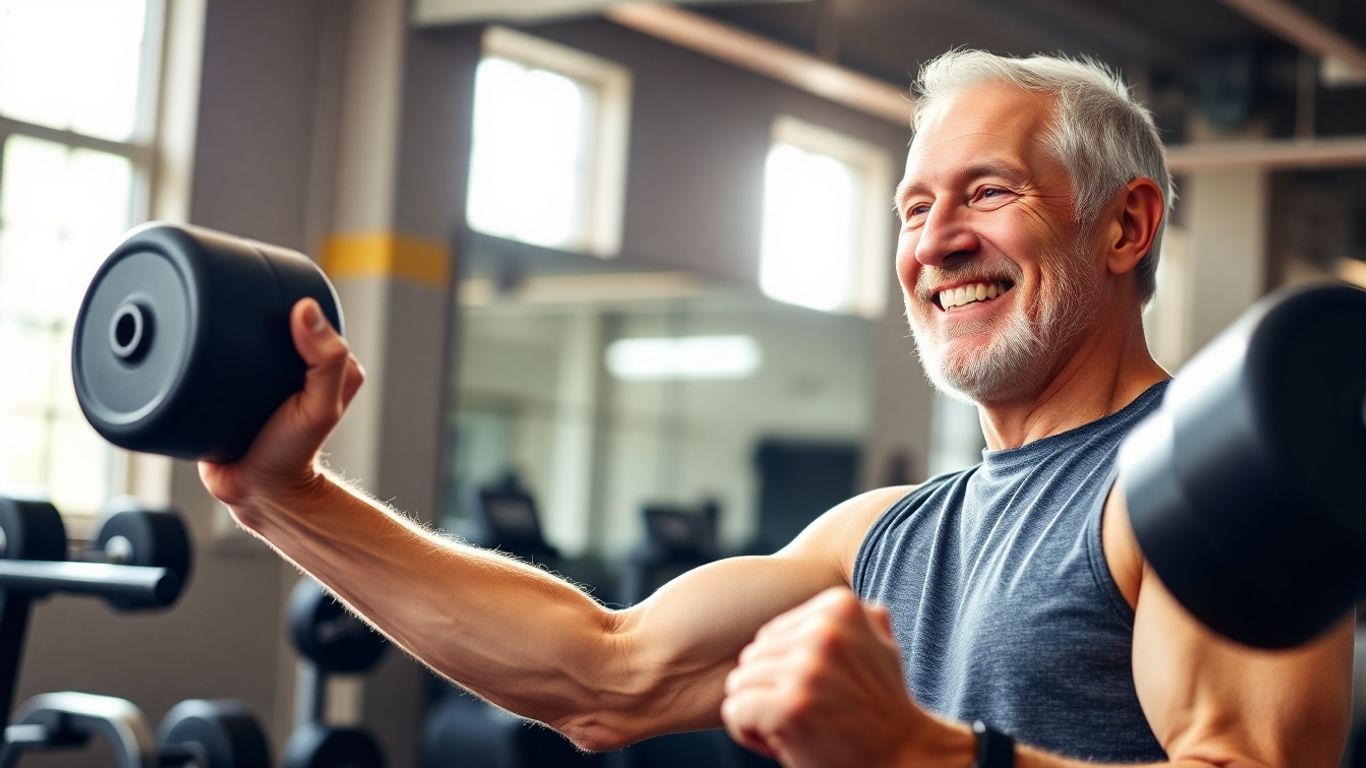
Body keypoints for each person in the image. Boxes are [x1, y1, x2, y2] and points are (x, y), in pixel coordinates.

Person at [200, 50, 1353, 767]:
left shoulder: (1210, 490)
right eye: (913, 209)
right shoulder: (881, 536)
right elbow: (601, 675)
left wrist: (919, 755)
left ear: (1125, 226)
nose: (936, 242)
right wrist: (284, 500)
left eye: (987, 192)